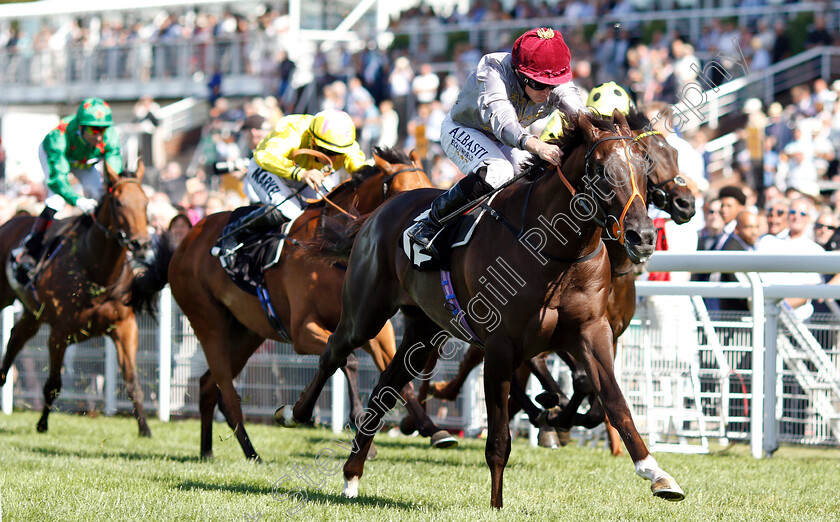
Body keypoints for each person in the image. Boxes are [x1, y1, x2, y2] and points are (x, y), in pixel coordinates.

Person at [405, 27, 587, 259]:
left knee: (532, 174)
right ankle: (430, 222)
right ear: (520, 74)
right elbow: (503, 121)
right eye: (540, 85)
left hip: (505, 138)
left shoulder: (550, 78)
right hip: (464, 129)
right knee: (499, 172)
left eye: (555, 84)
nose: (548, 92)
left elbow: (583, 116)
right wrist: (536, 145)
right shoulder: (493, 69)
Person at [211, 109, 367, 260]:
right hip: (267, 167)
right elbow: (266, 157)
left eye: (338, 154)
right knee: (291, 211)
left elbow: (361, 169)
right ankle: (234, 231)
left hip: (304, 172)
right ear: (313, 140)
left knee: (326, 209)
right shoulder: (294, 131)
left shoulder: (346, 145)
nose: (333, 159)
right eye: (328, 152)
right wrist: (301, 174)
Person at [12, 97, 122, 282]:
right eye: (94, 129)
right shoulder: (59, 138)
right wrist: (78, 201)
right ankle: (29, 248)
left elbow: (115, 175)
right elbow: (58, 180)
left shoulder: (110, 136)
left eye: (103, 129)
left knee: (99, 193)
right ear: (80, 126)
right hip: (56, 157)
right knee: (57, 200)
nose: (99, 136)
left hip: (82, 161)